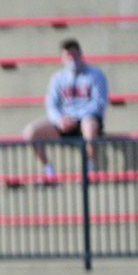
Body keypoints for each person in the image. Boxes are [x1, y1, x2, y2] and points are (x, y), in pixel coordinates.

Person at [22, 38, 108, 179]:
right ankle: (48, 170)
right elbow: (51, 104)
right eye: (68, 56)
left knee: (89, 126)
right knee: (30, 132)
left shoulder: (95, 75)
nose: (72, 59)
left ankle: (89, 169)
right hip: (64, 123)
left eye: (74, 54)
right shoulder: (57, 78)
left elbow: (99, 103)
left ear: (80, 54)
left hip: (86, 119)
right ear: (61, 58)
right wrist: (59, 119)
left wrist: (76, 118)